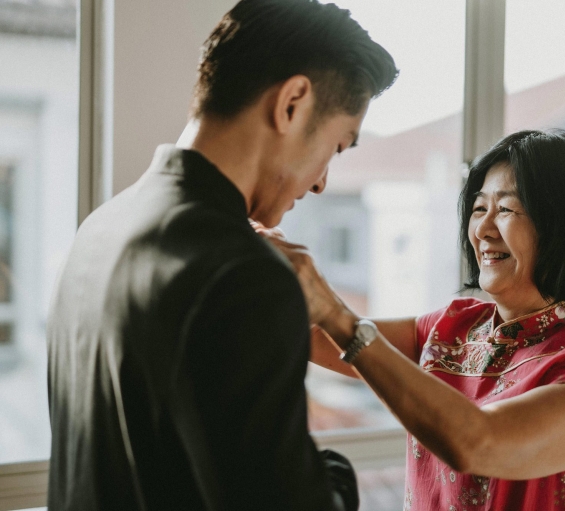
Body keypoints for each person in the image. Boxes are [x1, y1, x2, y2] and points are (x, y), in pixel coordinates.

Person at [46, 1, 397, 510]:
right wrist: (336, 476)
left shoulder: (99, 228)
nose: (322, 181)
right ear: (293, 103)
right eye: (338, 146)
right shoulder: (245, 275)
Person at [263, 130, 565, 510]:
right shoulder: (454, 326)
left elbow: (477, 442)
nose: (483, 230)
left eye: (505, 210)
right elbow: (312, 336)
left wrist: (335, 312)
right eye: (479, 209)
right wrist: (245, 247)